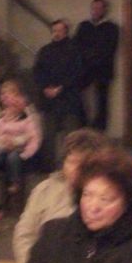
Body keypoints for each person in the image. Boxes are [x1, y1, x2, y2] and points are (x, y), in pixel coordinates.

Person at [11, 128, 107, 263]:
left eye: (84, 164)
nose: (77, 169)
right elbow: (24, 234)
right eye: (72, 162)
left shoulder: (106, 196)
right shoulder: (44, 190)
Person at [32, 19, 84, 164]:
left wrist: (61, 88)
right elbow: (37, 72)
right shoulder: (45, 50)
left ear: (66, 31)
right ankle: (49, 166)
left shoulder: (75, 50)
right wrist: (45, 87)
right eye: (54, 30)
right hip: (49, 101)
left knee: (71, 136)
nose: (56, 33)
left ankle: (72, 165)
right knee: (48, 136)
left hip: (69, 99)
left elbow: (77, 73)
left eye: (59, 30)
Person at [0, 79, 42, 198]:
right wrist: (4, 144)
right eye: (3, 93)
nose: (6, 97)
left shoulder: (27, 112)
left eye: (11, 92)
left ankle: (15, 184)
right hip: (1, 150)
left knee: (12, 157)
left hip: (23, 152)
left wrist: (15, 142)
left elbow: (33, 135)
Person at [73, 0, 120, 131]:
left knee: (102, 101)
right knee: (75, 92)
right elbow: (76, 45)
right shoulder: (84, 26)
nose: (96, 11)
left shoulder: (112, 28)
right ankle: (83, 124)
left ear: (105, 10)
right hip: (84, 68)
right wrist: (86, 57)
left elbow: (110, 48)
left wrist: (93, 56)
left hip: (103, 69)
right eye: (94, 8)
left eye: (99, 8)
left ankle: (99, 129)